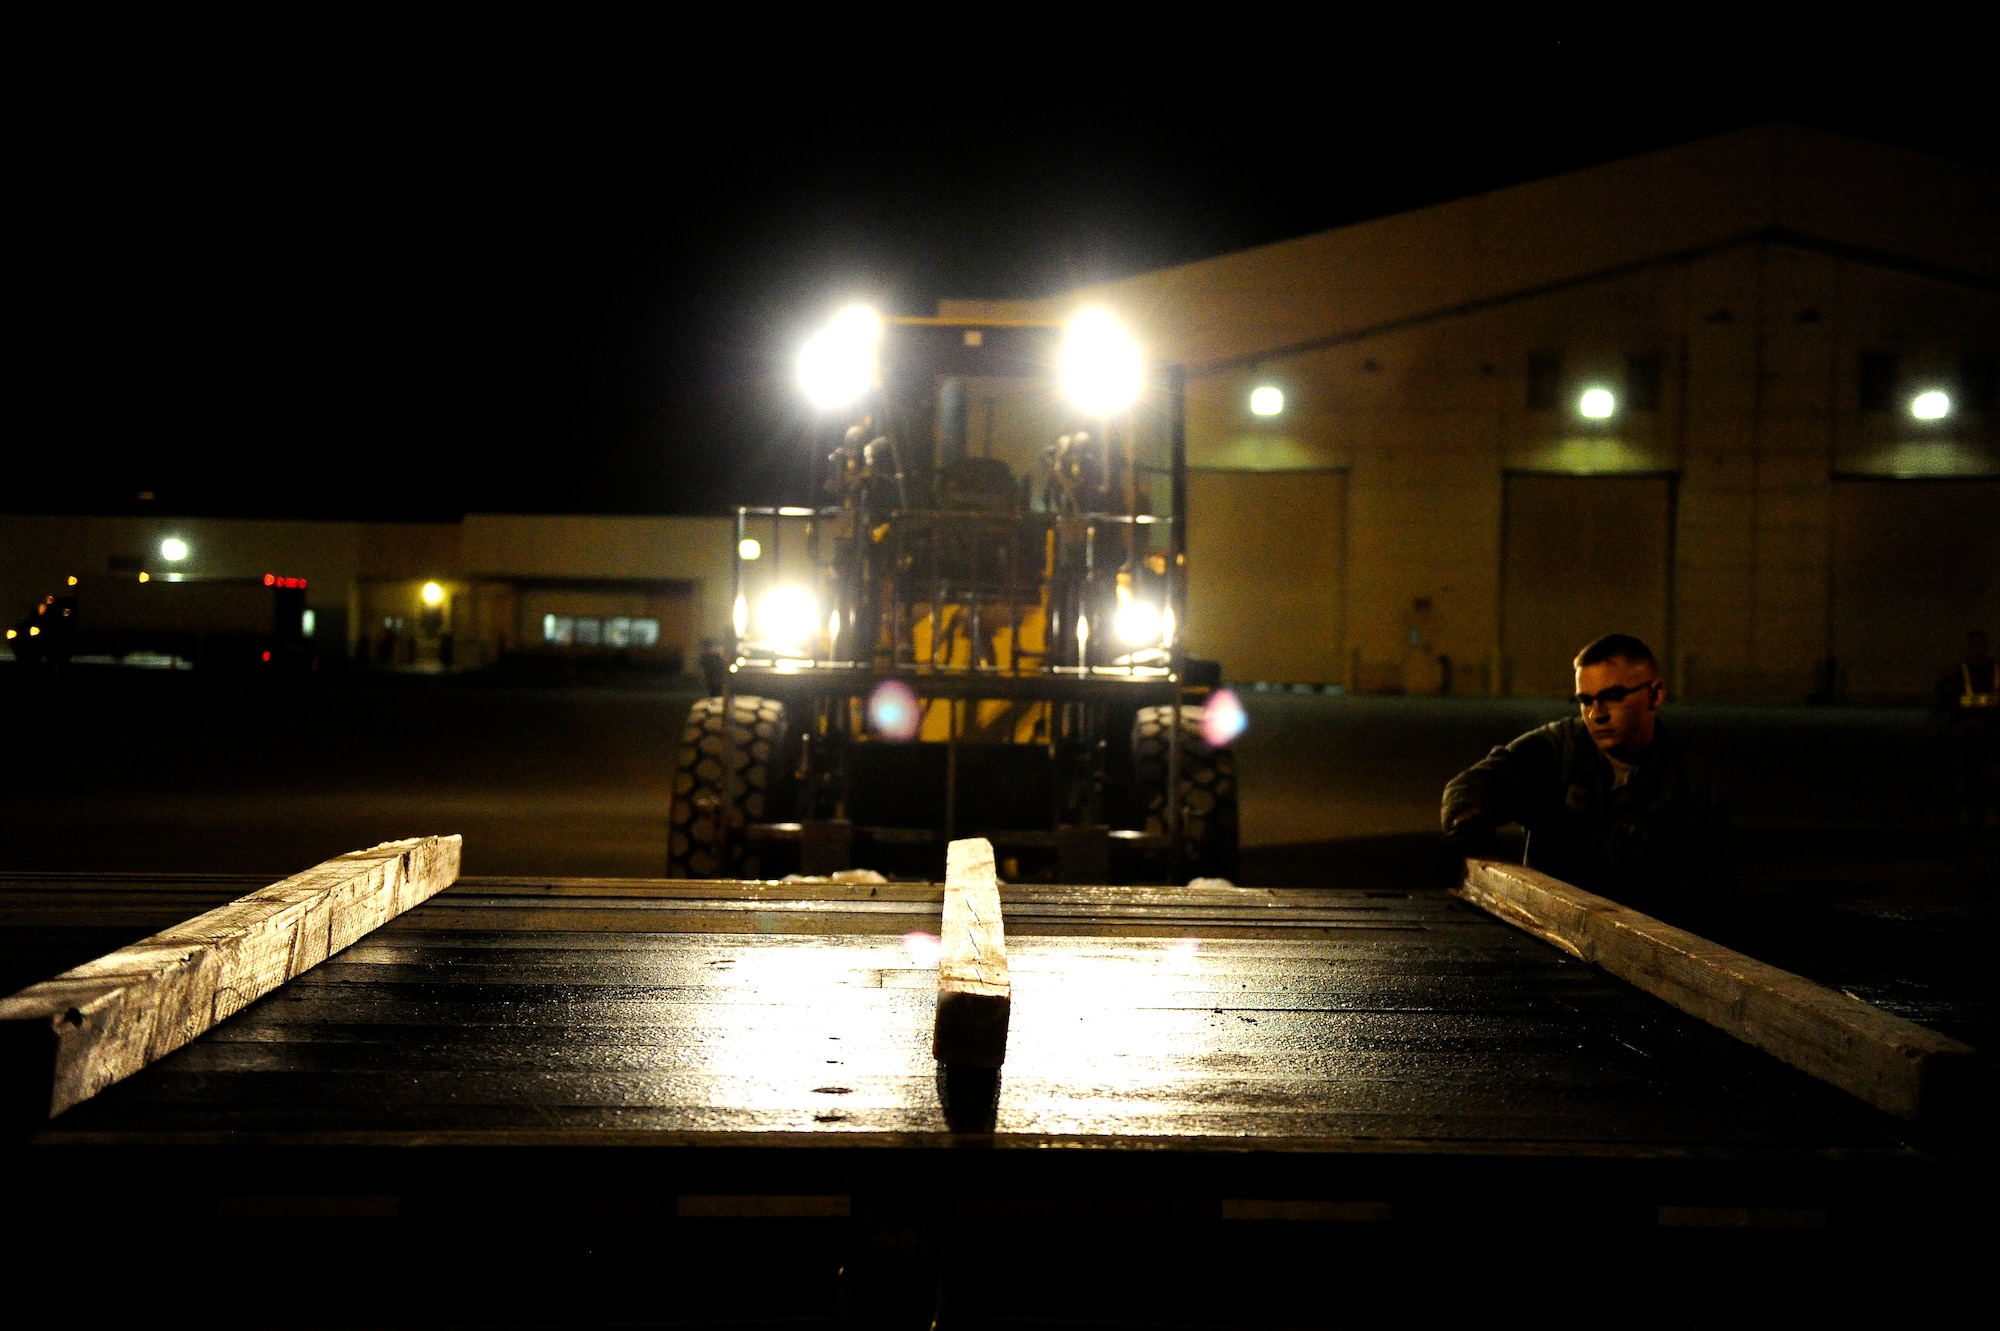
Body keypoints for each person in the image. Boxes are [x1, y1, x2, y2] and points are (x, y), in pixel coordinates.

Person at [1441, 633, 1731, 914]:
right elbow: (1484, 779)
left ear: (1655, 694)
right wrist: (1468, 821)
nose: (1596, 714)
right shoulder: (1560, 749)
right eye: (1585, 700)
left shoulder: (1693, 786)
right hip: (1549, 938)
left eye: (1613, 696)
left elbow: (1706, 903)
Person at [1933, 630, 1998, 826]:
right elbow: (1947, 700)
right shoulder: (1958, 672)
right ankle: (1966, 809)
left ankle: (1991, 810)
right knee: (1965, 768)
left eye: (1982, 646)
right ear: (1969, 648)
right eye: (1974, 646)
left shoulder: (1996, 671)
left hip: (1993, 727)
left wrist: (1970, 702)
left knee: (1993, 772)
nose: (1979, 650)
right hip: (1966, 728)